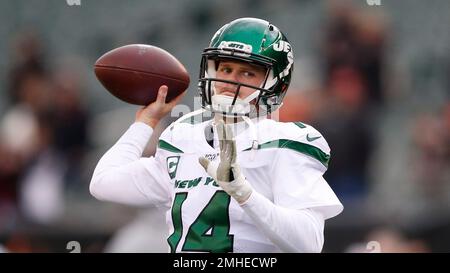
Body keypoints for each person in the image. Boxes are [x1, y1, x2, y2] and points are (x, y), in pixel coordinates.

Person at [90, 17, 343, 253]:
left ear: (276, 84)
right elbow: (103, 183)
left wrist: (244, 193)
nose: (230, 81)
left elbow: (309, 242)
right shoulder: (182, 137)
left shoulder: (284, 143)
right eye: (225, 69)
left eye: (247, 72)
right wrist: (146, 122)